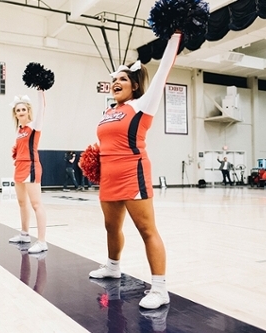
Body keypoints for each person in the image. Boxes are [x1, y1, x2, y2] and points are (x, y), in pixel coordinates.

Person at [88, 32, 182, 309]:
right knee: (111, 226)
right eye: (114, 79)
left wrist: (175, 34)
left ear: (135, 85)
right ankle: (113, 266)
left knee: (146, 229)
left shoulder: (142, 105)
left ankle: (160, 289)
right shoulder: (107, 111)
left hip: (133, 173)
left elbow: (164, 68)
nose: (116, 82)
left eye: (123, 79)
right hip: (109, 176)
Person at [8, 92, 48, 254]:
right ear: (15, 114)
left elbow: (42, 107)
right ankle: (24, 234)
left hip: (31, 167)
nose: (21, 112)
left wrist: (40, 91)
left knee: (36, 204)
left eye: (23, 109)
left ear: (28, 110)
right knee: (22, 203)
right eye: (18, 110)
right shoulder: (19, 130)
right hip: (19, 168)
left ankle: (42, 241)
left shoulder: (34, 126)